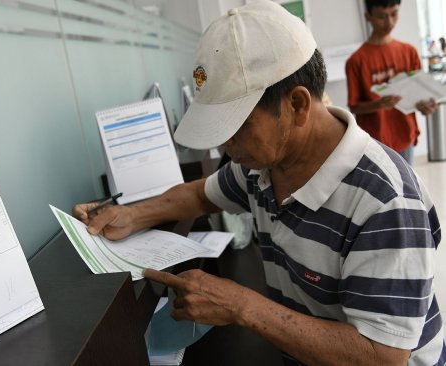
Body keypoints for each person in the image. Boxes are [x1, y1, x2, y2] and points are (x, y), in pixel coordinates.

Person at [73, 1, 444, 365]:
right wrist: (132, 215)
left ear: (297, 105)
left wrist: (242, 306)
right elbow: (199, 194)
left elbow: (381, 358)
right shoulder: (261, 165)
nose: (225, 146)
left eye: (235, 128)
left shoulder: (385, 202)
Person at [345, 0, 437, 165]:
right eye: (382, 16)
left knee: (407, 189)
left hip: (404, 137)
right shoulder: (356, 61)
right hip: (374, 143)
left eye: (394, 14)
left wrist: (426, 106)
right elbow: (354, 106)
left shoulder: (409, 52)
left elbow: (418, 95)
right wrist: (379, 104)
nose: (389, 22)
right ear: (368, 17)